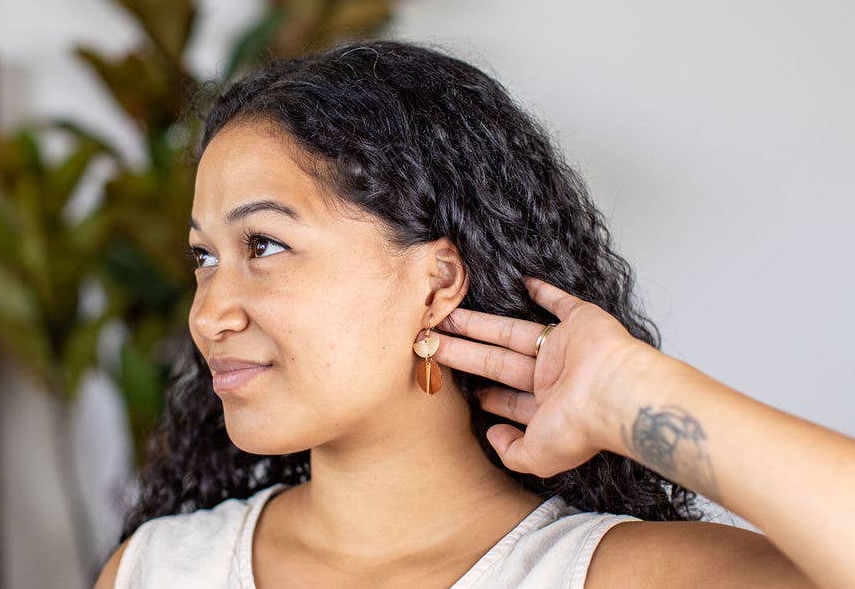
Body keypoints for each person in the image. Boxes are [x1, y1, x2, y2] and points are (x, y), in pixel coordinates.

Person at [95, 40, 851, 587]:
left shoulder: (610, 574)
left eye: (264, 243)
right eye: (203, 258)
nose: (210, 314)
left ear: (438, 280)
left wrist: (632, 394)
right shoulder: (159, 568)